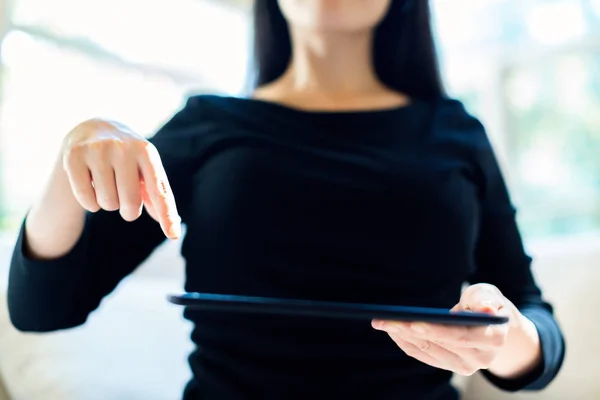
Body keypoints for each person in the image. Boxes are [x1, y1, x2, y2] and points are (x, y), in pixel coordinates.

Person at [7, 0, 565, 399]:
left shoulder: (456, 132)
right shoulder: (207, 125)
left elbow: (536, 327)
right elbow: (40, 309)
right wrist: (69, 163)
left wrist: (506, 341)